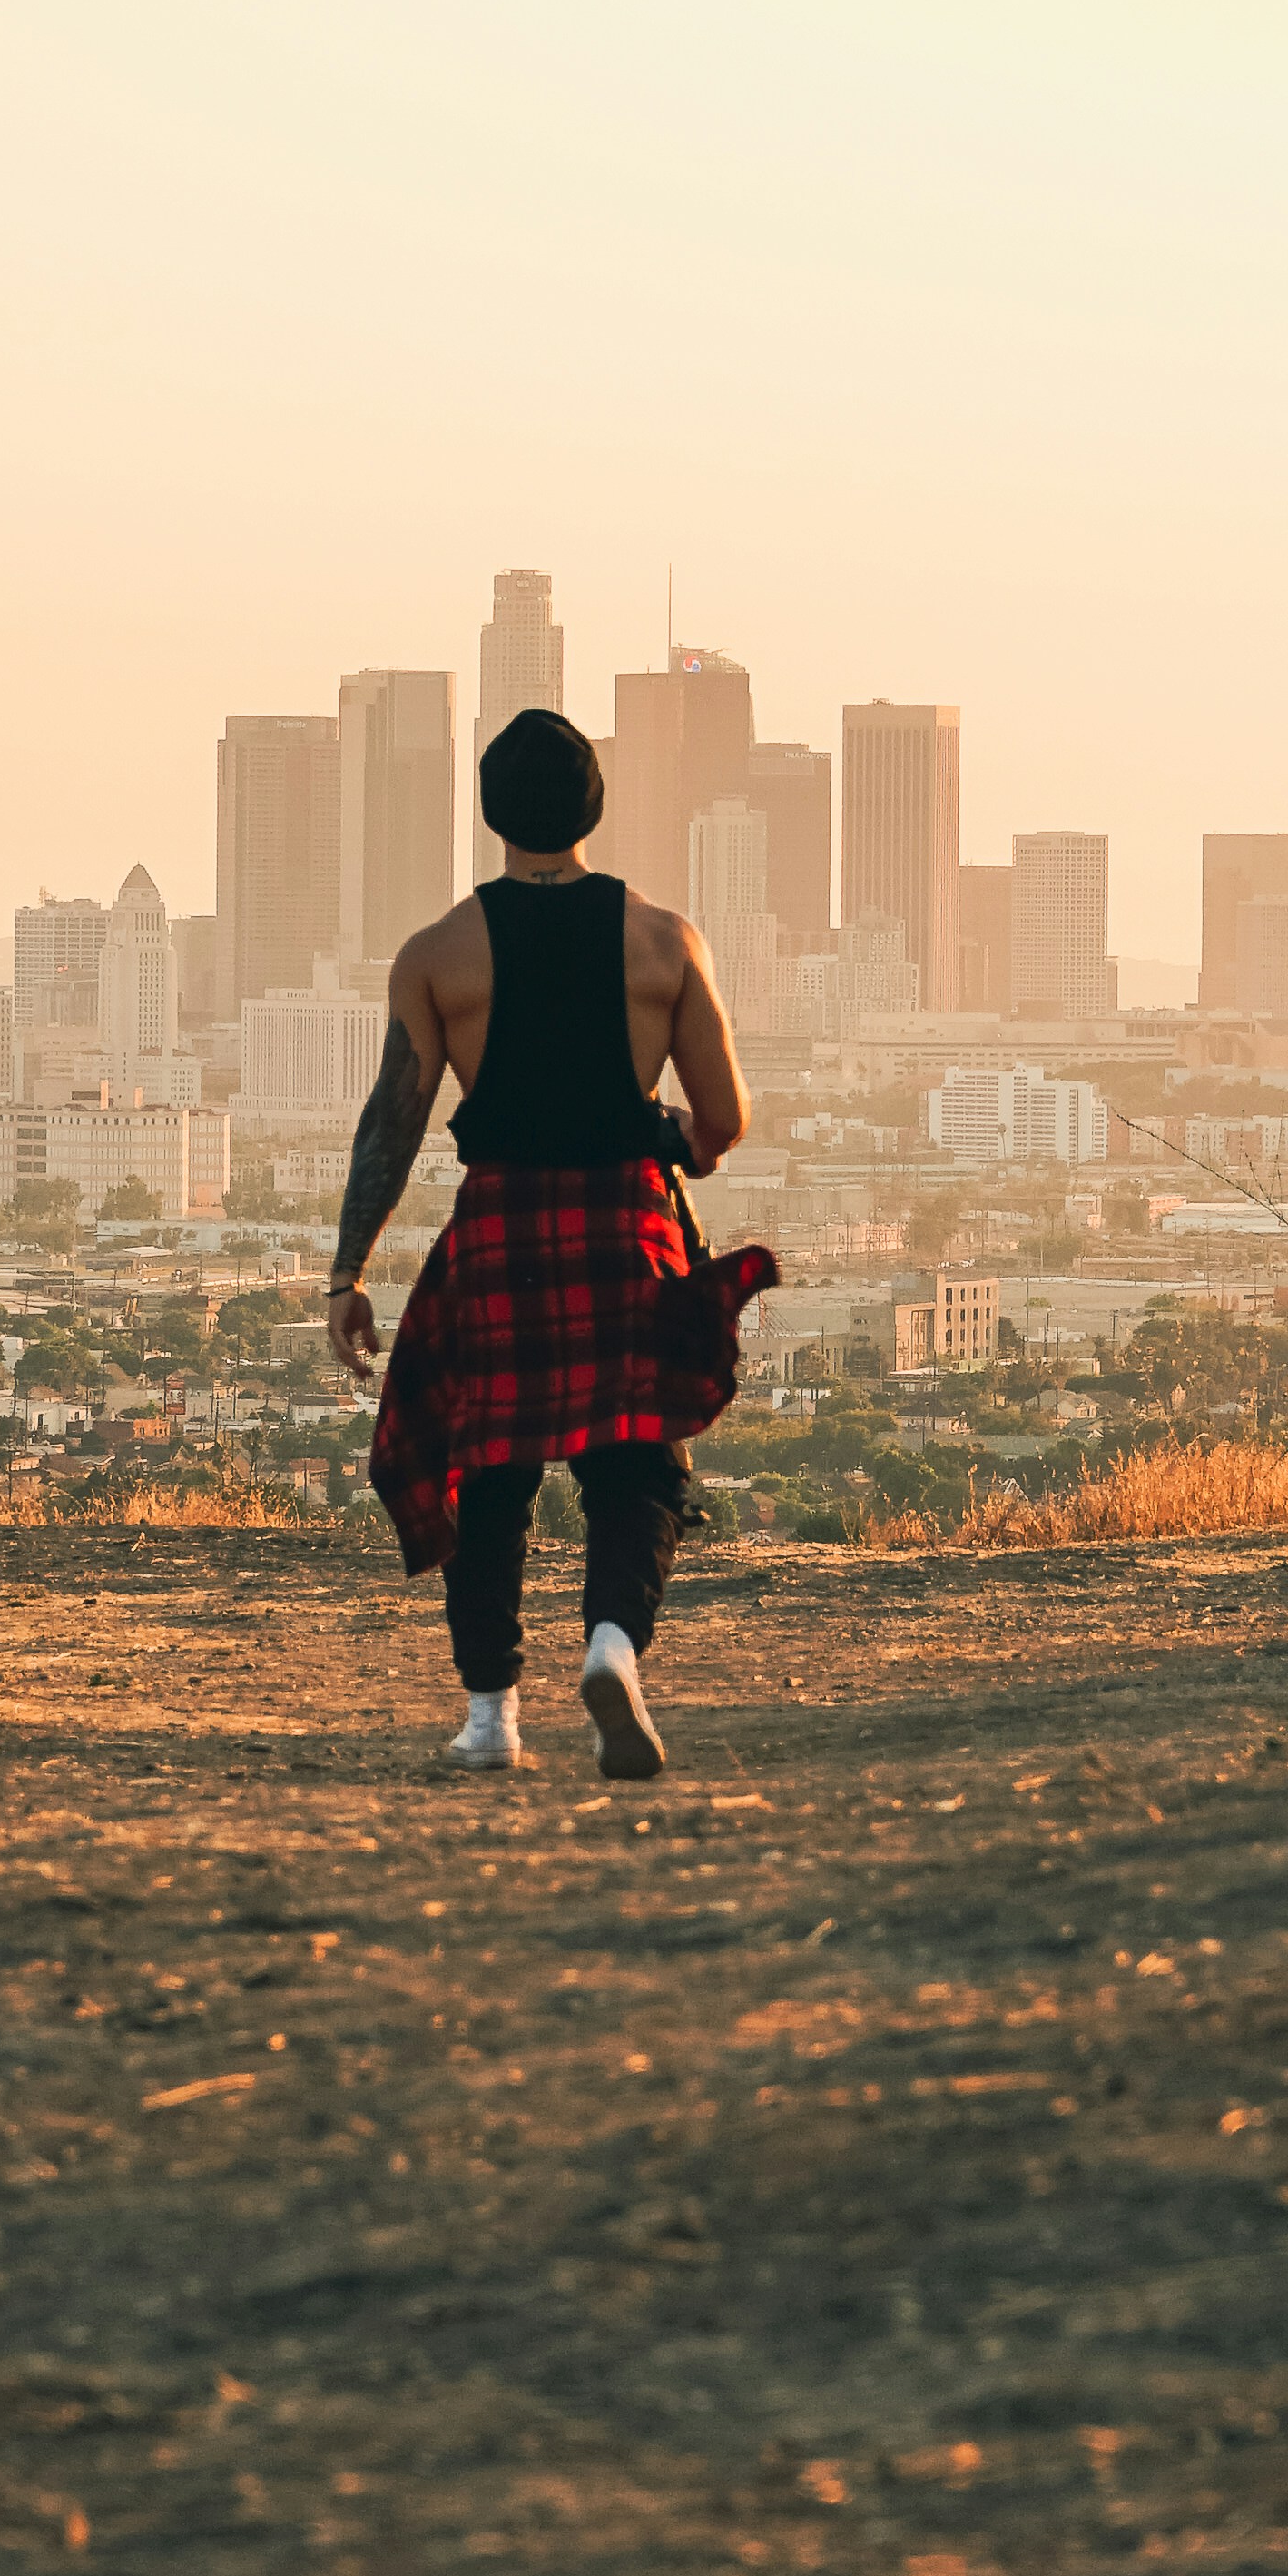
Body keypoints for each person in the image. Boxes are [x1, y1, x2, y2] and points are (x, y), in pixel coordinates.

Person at [328, 705, 778, 1781]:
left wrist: (348, 1271)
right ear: (595, 806)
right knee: (639, 1462)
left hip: (499, 1225)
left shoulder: (438, 955)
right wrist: (683, 1145)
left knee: (488, 1470)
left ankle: (490, 1718)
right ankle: (614, 1645)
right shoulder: (664, 943)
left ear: (488, 814)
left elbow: (394, 1117)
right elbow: (722, 1121)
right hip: (625, 1220)